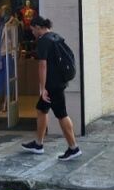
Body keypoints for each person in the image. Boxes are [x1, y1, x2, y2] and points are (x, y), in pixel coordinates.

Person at [20, 16, 81, 161]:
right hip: (58, 81)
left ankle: (74, 148)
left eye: (33, 30)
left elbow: (42, 65)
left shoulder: (43, 41)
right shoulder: (55, 36)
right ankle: (38, 144)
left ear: (38, 27)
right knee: (41, 109)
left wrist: (43, 89)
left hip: (53, 86)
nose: (32, 33)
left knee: (62, 114)